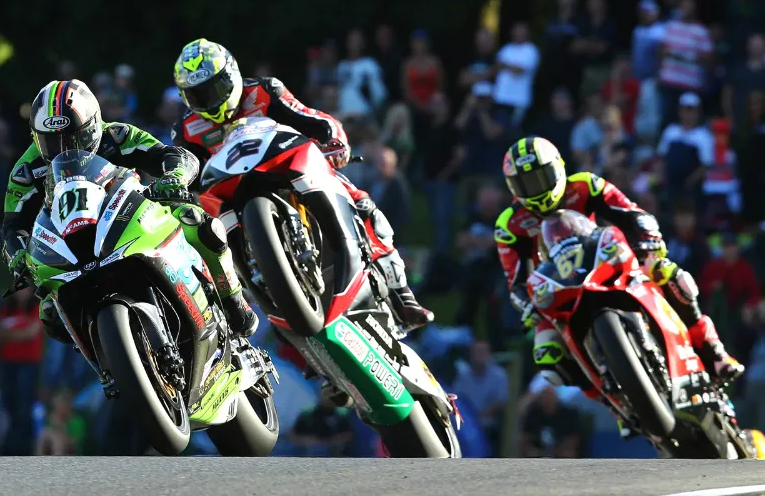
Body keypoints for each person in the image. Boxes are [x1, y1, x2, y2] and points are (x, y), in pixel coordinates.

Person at [171, 38, 433, 329]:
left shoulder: (263, 90)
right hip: (231, 194)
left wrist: (333, 139)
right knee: (207, 249)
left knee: (361, 200)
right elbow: (183, 174)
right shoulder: (186, 129)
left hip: (285, 165)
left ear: (231, 76)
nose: (209, 101)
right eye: (198, 96)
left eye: (215, 90)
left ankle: (402, 293)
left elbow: (309, 117)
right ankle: (265, 318)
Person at [494, 136, 744, 431]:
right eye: (526, 184)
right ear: (513, 189)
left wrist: (647, 241)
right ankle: (615, 404)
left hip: (603, 258)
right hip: (558, 287)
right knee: (547, 355)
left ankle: (712, 349)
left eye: (541, 177)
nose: (536, 189)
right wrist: (527, 303)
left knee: (667, 272)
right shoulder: (509, 225)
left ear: (559, 168)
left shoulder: (586, 184)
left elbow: (630, 212)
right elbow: (516, 280)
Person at [0, 79, 259, 347]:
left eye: (75, 137)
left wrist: (174, 177)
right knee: (51, 315)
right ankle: (109, 367)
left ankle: (233, 299)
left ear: (94, 126)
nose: (64, 148)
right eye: (51, 142)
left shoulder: (117, 135)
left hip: (131, 218)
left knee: (196, 222)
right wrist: (17, 253)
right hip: (70, 246)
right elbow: (13, 224)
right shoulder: (26, 170)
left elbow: (169, 155)